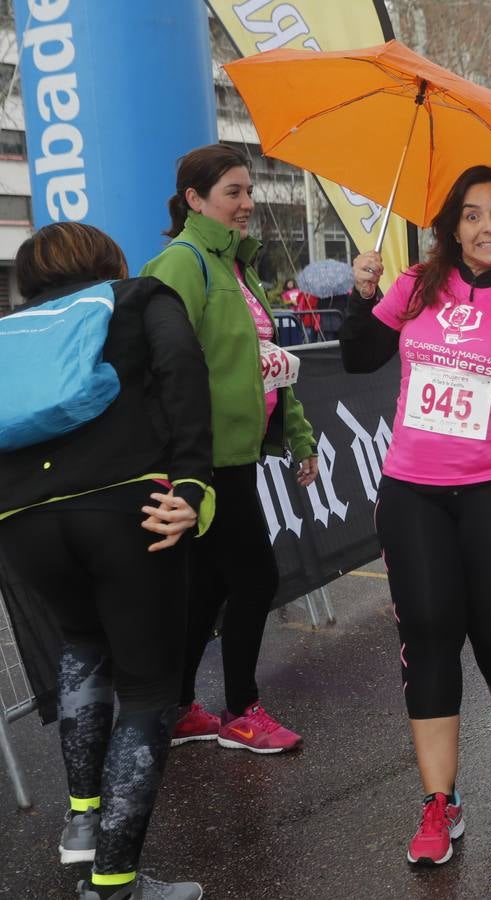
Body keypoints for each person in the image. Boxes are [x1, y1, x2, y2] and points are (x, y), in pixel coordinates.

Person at [337, 166, 491, 865]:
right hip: (413, 490)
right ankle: (439, 802)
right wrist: (364, 291)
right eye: (473, 215)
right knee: (429, 635)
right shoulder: (416, 285)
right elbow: (358, 356)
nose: (488, 228)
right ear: (452, 225)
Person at [0, 223, 213, 900]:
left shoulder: (14, 330)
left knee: (82, 643)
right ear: (107, 260)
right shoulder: (140, 297)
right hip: (130, 508)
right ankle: (115, 884)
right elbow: (183, 377)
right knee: (150, 690)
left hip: (24, 520)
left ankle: (83, 823)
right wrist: (192, 486)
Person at [142, 143, 318, 755]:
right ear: (194, 199)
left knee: (211, 587)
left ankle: (174, 707)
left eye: (249, 190)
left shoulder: (239, 267)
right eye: (233, 193)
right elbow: (157, 369)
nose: (248, 203)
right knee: (256, 577)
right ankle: (242, 711)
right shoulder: (182, 264)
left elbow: (271, 367)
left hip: (238, 455)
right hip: (202, 461)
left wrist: (298, 437)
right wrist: (183, 462)